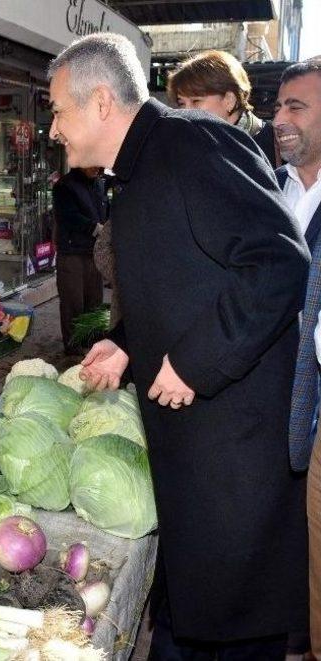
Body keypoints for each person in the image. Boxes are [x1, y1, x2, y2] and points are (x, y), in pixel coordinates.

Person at [48, 33, 309, 659]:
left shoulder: (193, 143)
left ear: (101, 102)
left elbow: (277, 265)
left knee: (235, 625)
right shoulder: (133, 171)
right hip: (192, 448)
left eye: (58, 110)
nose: (53, 128)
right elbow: (183, 288)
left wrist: (194, 362)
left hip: (234, 452)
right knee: (193, 615)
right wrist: (126, 345)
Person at [273, 59, 321, 658]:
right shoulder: (267, 187)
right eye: (279, 106)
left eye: (297, 107)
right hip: (268, 408)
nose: (279, 118)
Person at [167, 50, 280, 167]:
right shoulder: (185, 147)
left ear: (229, 100)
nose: (186, 112)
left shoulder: (277, 144)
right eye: (181, 104)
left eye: (196, 101)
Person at [53, 167, 107, 354]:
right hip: (72, 253)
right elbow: (68, 216)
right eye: (91, 164)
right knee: (73, 303)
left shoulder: (99, 184)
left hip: (93, 252)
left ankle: (92, 346)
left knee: (94, 302)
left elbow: (104, 212)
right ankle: (73, 348)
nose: (96, 168)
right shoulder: (64, 186)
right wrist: (94, 227)